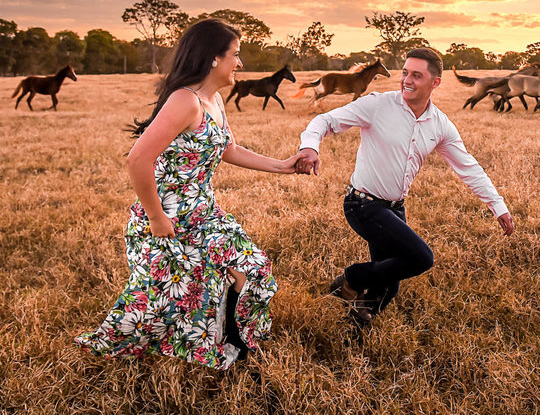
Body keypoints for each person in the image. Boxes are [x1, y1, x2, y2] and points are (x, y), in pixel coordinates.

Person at [76, 19, 299, 369]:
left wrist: (283, 165)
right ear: (213, 59)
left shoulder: (215, 100)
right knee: (159, 303)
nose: (239, 64)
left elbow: (230, 149)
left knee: (251, 267)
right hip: (168, 218)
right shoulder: (186, 101)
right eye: (235, 55)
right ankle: (228, 346)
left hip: (203, 212)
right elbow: (138, 159)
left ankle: (232, 341)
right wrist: (156, 218)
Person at [294, 47, 514, 327]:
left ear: (435, 82)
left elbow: (468, 166)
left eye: (417, 76)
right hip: (362, 204)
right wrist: (310, 147)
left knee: (390, 285)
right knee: (420, 257)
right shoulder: (378, 105)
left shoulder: (440, 125)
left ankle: (355, 323)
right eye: (405, 73)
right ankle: (351, 279)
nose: (407, 80)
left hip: (395, 209)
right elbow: (325, 120)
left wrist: (497, 205)